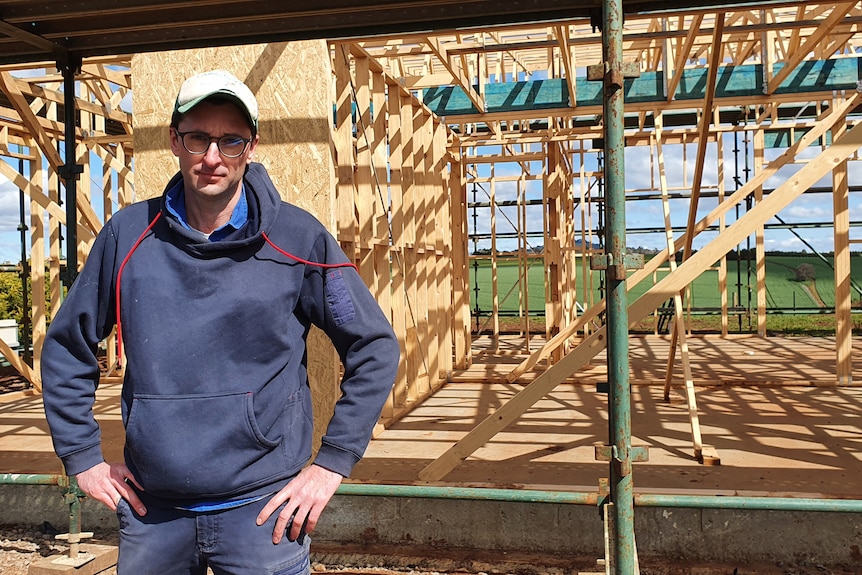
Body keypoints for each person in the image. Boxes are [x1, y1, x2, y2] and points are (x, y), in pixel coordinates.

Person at [41, 69, 400, 575]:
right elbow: (67, 347)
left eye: (230, 140)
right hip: (153, 511)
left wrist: (331, 463)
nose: (213, 157)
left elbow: (374, 345)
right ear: (174, 141)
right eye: (197, 138)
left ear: (250, 147)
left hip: (264, 514)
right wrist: (81, 456)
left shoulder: (297, 239)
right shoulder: (128, 237)